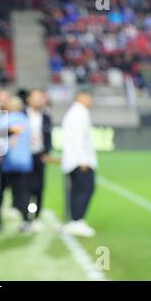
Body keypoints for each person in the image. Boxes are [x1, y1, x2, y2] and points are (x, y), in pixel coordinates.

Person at [61, 92, 97, 237]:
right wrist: (83, 160)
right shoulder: (79, 113)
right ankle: (77, 220)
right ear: (81, 97)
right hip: (79, 161)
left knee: (76, 190)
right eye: (89, 96)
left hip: (74, 160)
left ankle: (74, 220)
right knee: (85, 189)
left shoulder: (75, 112)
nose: (91, 100)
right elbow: (78, 138)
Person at [0, 96, 33, 232]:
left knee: (0, 192)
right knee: (23, 193)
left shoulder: (4, 119)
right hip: (25, 162)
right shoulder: (26, 120)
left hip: (7, 162)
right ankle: (26, 220)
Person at [25, 89, 52, 232]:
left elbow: (48, 137)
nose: (38, 100)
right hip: (24, 156)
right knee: (24, 188)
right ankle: (25, 216)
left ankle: (35, 216)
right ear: (29, 99)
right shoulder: (22, 114)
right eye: (35, 97)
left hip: (39, 156)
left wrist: (47, 152)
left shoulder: (46, 116)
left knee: (38, 188)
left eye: (40, 98)